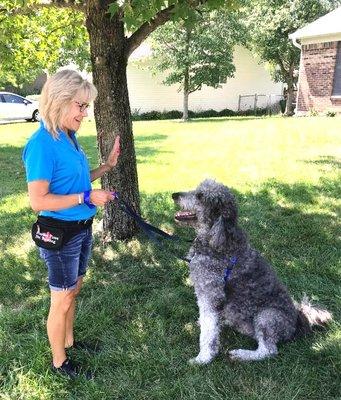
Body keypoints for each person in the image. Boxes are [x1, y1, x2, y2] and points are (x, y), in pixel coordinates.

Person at [22, 69, 120, 379]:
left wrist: (106, 167)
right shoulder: (42, 144)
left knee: (73, 290)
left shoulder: (68, 136)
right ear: (59, 102)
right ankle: (60, 362)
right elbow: (39, 200)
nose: (85, 113)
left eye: (86, 106)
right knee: (61, 297)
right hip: (59, 234)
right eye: (80, 105)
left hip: (80, 228)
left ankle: (69, 341)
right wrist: (86, 197)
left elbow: (74, 182)